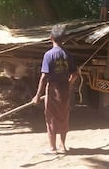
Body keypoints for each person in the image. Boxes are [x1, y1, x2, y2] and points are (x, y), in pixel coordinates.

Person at [32, 24, 78, 155]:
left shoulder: (49, 55)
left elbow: (44, 77)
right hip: (65, 89)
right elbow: (75, 74)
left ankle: (53, 148)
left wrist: (37, 95)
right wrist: (69, 84)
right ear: (63, 39)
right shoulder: (68, 55)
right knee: (64, 116)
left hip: (53, 89)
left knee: (51, 118)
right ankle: (63, 146)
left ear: (50, 37)